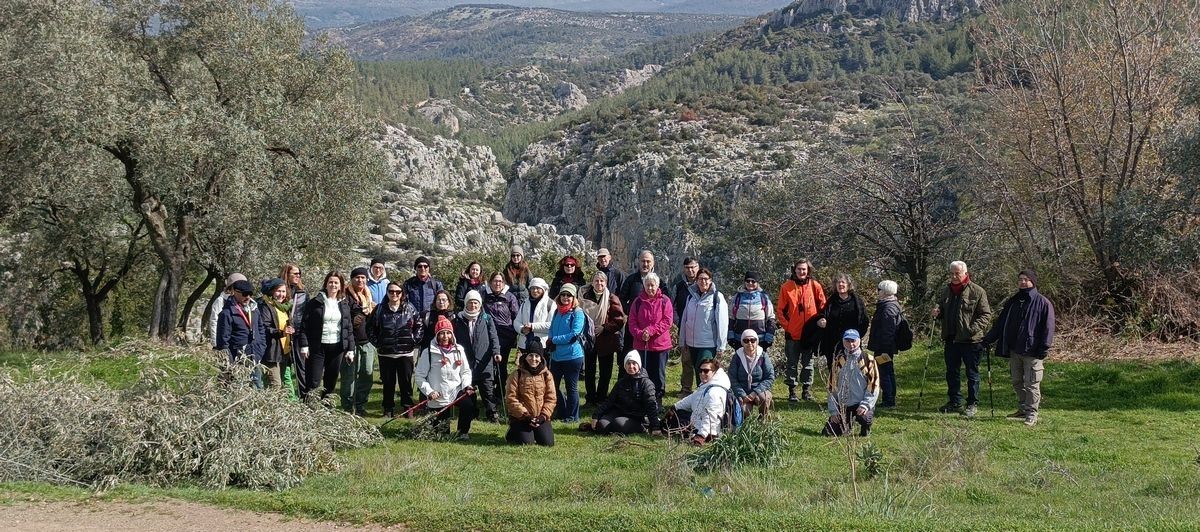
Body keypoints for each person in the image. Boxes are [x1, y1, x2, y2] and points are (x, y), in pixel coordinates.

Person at [983, 270, 1055, 426]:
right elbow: (1001, 323)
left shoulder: (1043, 302)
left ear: (1033, 282)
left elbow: (1048, 328)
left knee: (1032, 383)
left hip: (1033, 351)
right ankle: (1023, 408)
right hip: (1014, 349)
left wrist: (1044, 347)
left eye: (1026, 280)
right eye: (1020, 279)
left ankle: (1032, 414)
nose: (1023, 282)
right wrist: (988, 339)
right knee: (1017, 382)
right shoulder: (1013, 302)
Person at [932, 260, 992, 418]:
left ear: (965, 273)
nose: (953, 276)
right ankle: (954, 401)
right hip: (951, 339)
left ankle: (972, 404)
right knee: (952, 372)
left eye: (957, 273)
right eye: (951, 273)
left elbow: (986, 315)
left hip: (971, 341)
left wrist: (971, 330)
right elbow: (944, 310)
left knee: (972, 374)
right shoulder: (947, 290)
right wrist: (938, 313)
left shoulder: (977, 291)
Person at [416, 315, 476, 440]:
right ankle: (442, 429)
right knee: (442, 435)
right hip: (438, 394)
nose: (445, 337)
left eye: (448, 333)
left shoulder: (459, 350)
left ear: (452, 334)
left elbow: (465, 371)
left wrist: (466, 386)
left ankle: (462, 432)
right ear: (437, 335)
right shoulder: (429, 352)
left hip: (456, 390)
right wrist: (429, 391)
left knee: (468, 405)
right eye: (441, 333)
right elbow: (420, 376)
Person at [296, 271, 354, 401]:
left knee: (331, 381)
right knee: (313, 381)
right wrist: (304, 345)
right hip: (318, 347)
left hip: (337, 347)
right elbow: (304, 325)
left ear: (340, 286)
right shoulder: (315, 302)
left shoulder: (344, 303)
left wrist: (350, 349)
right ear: (326, 284)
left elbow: (348, 328)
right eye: (330, 282)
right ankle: (309, 408)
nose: (333, 285)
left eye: (336, 283)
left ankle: (326, 409)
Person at [368, 281, 423, 418]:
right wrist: (378, 343)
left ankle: (407, 408)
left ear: (402, 294)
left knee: (406, 383)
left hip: (406, 353)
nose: (394, 294)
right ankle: (388, 409)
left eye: (397, 292)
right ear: (387, 293)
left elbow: (419, 325)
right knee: (388, 384)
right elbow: (370, 328)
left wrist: (413, 341)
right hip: (386, 354)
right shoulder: (380, 309)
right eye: (391, 291)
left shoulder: (410, 308)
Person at [777, 258, 827, 402]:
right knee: (792, 363)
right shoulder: (786, 287)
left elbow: (823, 306)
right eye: (799, 269)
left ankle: (806, 390)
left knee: (808, 363)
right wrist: (789, 327)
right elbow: (780, 311)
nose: (801, 272)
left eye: (804, 269)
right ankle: (792, 391)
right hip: (793, 333)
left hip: (810, 333)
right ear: (795, 270)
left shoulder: (815, 286)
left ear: (808, 270)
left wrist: (819, 323)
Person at [626, 272, 674, 407]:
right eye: (647, 285)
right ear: (644, 286)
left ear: (657, 285)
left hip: (660, 345)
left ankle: (657, 402)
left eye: (652, 285)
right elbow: (632, 322)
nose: (650, 288)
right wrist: (641, 334)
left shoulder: (665, 301)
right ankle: (641, 400)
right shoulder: (638, 301)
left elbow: (667, 321)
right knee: (641, 373)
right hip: (641, 345)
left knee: (658, 375)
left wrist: (651, 331)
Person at [578, 270, 626, 405]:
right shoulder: (584, 297)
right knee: (589, 370)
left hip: (606, 339)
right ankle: (590, 398)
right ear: (592, 282)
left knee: (605, 371)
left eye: (602, 281)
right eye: (596, 281)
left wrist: (604, 327)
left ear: (606, 283)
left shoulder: (611, 298)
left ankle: (601, 398)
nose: (599, 283)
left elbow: (619, 320)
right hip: (589, 338)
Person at [453, 290, 502, 422]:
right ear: (466, 304)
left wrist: (496, 352)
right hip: (467, 361)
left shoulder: (487, 318)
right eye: (470, 303)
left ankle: (492, 414)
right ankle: (472, 413)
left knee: (487, 390)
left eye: (475, 303)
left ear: (480, 304)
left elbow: (493, 336)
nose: (473, 305)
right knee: (470, 388)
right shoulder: (459, 319)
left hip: (485, 360)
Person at [823, 330, 879, 437]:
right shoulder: (838, 361)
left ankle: (865, 428)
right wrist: (834, 411)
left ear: (859, 341)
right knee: (829, 432)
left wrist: (865, 405)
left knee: (864, 418)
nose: (851, 344)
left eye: (853, 341)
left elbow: (873, 386)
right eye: (847, 341)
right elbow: (832, 387)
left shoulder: (869, 360)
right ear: (843, 342)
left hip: (861, 404)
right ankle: (847, 425)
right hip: (844, 406)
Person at [589, 351, 660, 435]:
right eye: (628, 363)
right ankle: (612, 429)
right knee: (602, 425)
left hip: (637, 416)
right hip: (619, 411)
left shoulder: (647, 383)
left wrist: (656, 427)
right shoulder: (621, 382)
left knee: (618, 423)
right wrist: (596, 416)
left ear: (639, 365)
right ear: (625, 366)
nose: (631, 366)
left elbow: (651, 405)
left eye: (634, 363)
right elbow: (609, 401)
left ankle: (642, 428)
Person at [679, 268, 729, 388]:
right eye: (700, 279)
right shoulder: (690, 297)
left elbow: (722, 322)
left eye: (706, 279)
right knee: (698, 371)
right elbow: (685, 320)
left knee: (705, 372)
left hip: (707, 344)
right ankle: (699, 398)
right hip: (691, 344)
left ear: (711, 280)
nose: (703, 282)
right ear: (696, 281)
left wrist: (721, 346)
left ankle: (708, 397)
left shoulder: (717, 297)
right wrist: (682, 341)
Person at [214, 279, 265, 388]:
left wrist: (261, 348)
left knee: (257, 388)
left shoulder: (254, 310)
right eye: (245, 294)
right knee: (238, 389)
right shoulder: (226, 313)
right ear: (235, 292)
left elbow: (261, 330)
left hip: (255, 357)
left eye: (250, 294)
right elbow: (223, 342)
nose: (248, 297)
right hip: (237, 360)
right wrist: (229, 363)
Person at [815, 273, 870, 375]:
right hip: (833, 343)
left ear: (849, 285)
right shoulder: (831, 301)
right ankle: (835, 390)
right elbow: (822, 314)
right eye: (838, 282)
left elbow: (864, 321)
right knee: (835, 370)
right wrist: (821, 319)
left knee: (854, 369)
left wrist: (857, 337)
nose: (840, 284)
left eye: (843, 282)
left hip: (852, 343)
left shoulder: (857, 302)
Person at [668, 358, 730, 445]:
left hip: (710, 431)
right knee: (678, 413)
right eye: (700, 371)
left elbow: (711, 417)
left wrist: (700, 436)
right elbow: (691, 399)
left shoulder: (714, 392)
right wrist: (674, 408)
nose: (702, 374)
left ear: (714, 372)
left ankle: (692, 432)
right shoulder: (706, 385)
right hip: (698, 421)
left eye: (706, 371)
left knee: (678, 419)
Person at [482, 271, 521, 414]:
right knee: (488, 365)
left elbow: (516, 315)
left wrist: (513, 332)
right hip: (487, 335)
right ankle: (489, 393)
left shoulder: (510, 297)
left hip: (505, 336)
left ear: (504, 283)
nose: (497, 283)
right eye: (495, 281)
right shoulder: (484, 295)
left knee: (502, 366)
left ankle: (500, 392)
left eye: (500, 281)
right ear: (490, 282)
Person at [504, 342, 557, 446]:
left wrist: (543, 416)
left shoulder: (547, 375)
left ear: (541, 358)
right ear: (525, 356)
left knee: (548, 443)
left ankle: (536, 431)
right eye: (530, 355)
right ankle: (512, 431)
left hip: (540, 417)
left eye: (537, 356)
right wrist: (526, 416)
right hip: (521, 417)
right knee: (527, 443)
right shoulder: (516, 375)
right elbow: (511, 399)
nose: (533, 359)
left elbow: (551, 398)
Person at [547, 283, 586, 422]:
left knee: (572, 388)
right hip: (556, 356)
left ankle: (572, 416)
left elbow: (575, 333)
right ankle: (562, 411)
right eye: (563, 294)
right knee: (553, 386)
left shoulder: (578, 313)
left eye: (568, 295)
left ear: (573, 297)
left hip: (572, 356)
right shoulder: (557, 311)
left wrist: (554, 340)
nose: (565, 297)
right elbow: (551, 327)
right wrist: (550, 338)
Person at [341, 267, 377, 416]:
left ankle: (361, 404)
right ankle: (348, 407)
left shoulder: (368, 296)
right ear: (351, 279)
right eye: (357, 277)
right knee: (349, 376)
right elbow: (346, 318)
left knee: (367, 373)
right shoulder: (345, 296)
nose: (360, 280)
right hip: (350, 341)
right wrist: (359, 314)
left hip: (367, 341)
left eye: (363, 277)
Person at [866, 280, 902, 408]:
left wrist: (885, 349)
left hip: (884, 347)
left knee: (884, 372)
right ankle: (889, 398)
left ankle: (889, 400)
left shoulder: (888, 308)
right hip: (884, 346)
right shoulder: (889, 305)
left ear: (885, 292)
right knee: (887, 371)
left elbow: (888, 331)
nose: (878, 292)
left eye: (879, 290)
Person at [258, 277, 296, 396]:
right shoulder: (266, 306)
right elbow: (265, 328)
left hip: (284, 351)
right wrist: (281, 332)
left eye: (283, 291)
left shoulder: (284, 307)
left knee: (282, 385)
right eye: (278, 291)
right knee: (275, 385)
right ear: (272, 291)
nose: (281, 294)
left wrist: (291, 329)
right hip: (271, 352)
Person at [728, 270, 777, 355]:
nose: (750, 283)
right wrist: (731, 337)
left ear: (757, 283)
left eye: (753, 281)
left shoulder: (764, 297)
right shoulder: (737, 297)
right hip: (740, 339)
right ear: (744, 282)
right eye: (748, 281)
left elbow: (771, 318)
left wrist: (769, 338)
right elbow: (730, 317)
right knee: (741, 365)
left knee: (759, 366)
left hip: (760, 340)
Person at [618, 250, 656, 359]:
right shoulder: (631, 279)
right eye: (643, 261)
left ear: (653, 263)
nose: (645, 264)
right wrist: (631, 311)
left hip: (652, 327)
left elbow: (665, 301)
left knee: (650, 357)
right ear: (638, 262)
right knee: (629, 354)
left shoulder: (659, 282)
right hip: (633, 325)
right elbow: (622, 299)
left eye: (648, 261)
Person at [671, 257, 700, 395]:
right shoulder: (679, 286)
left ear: (698, 267)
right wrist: (678, 322)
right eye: (687, 267)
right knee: (687, 360)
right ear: (684, 269)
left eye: (693, 267)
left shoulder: (703, 284)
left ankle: (703, 388)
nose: (690, 270)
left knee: (702, 361)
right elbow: (673, 306)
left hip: (702, 330)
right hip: (684, 329)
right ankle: (686, 389)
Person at [729, 329, 774, 419]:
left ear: (756, 342)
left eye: (752, 340)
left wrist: (755, 393)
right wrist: (742, 394)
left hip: (759, 390)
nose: (749, 343)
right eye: (746, 341)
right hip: (743, 391)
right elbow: (732, 378)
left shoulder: (763, 356)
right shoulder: (737, 357)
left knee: (764, 399)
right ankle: (745, 425)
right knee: (744, 411)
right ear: (742, 342)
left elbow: (770, 377)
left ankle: (763, 421)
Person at [280, 263, 308, 394]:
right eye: (295, 274)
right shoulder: (278, 291)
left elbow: (305, 316)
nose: (298, 276)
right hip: (281, 333)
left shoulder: (303, 293)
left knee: (300, 367)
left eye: (299, 274)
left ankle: (304, 396)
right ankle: (284, 396)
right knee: (283, 366)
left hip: (297, 334)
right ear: (287, 274)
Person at [208, 272, 248, 347]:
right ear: (231, 287)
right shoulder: (221, 301)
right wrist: (216, 344)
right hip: (227, 344)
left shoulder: (247, 301)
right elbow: (214, 322)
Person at [514, 277, 553, 351]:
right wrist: (522, 329)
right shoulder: (525, 303)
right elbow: (517, 321)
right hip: (525, 345)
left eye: (538, 288)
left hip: (543, 345)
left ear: (543, 289)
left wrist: (533, 326)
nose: (535, 291)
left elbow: (552, 325)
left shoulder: (550, 304)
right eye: (533, 288)